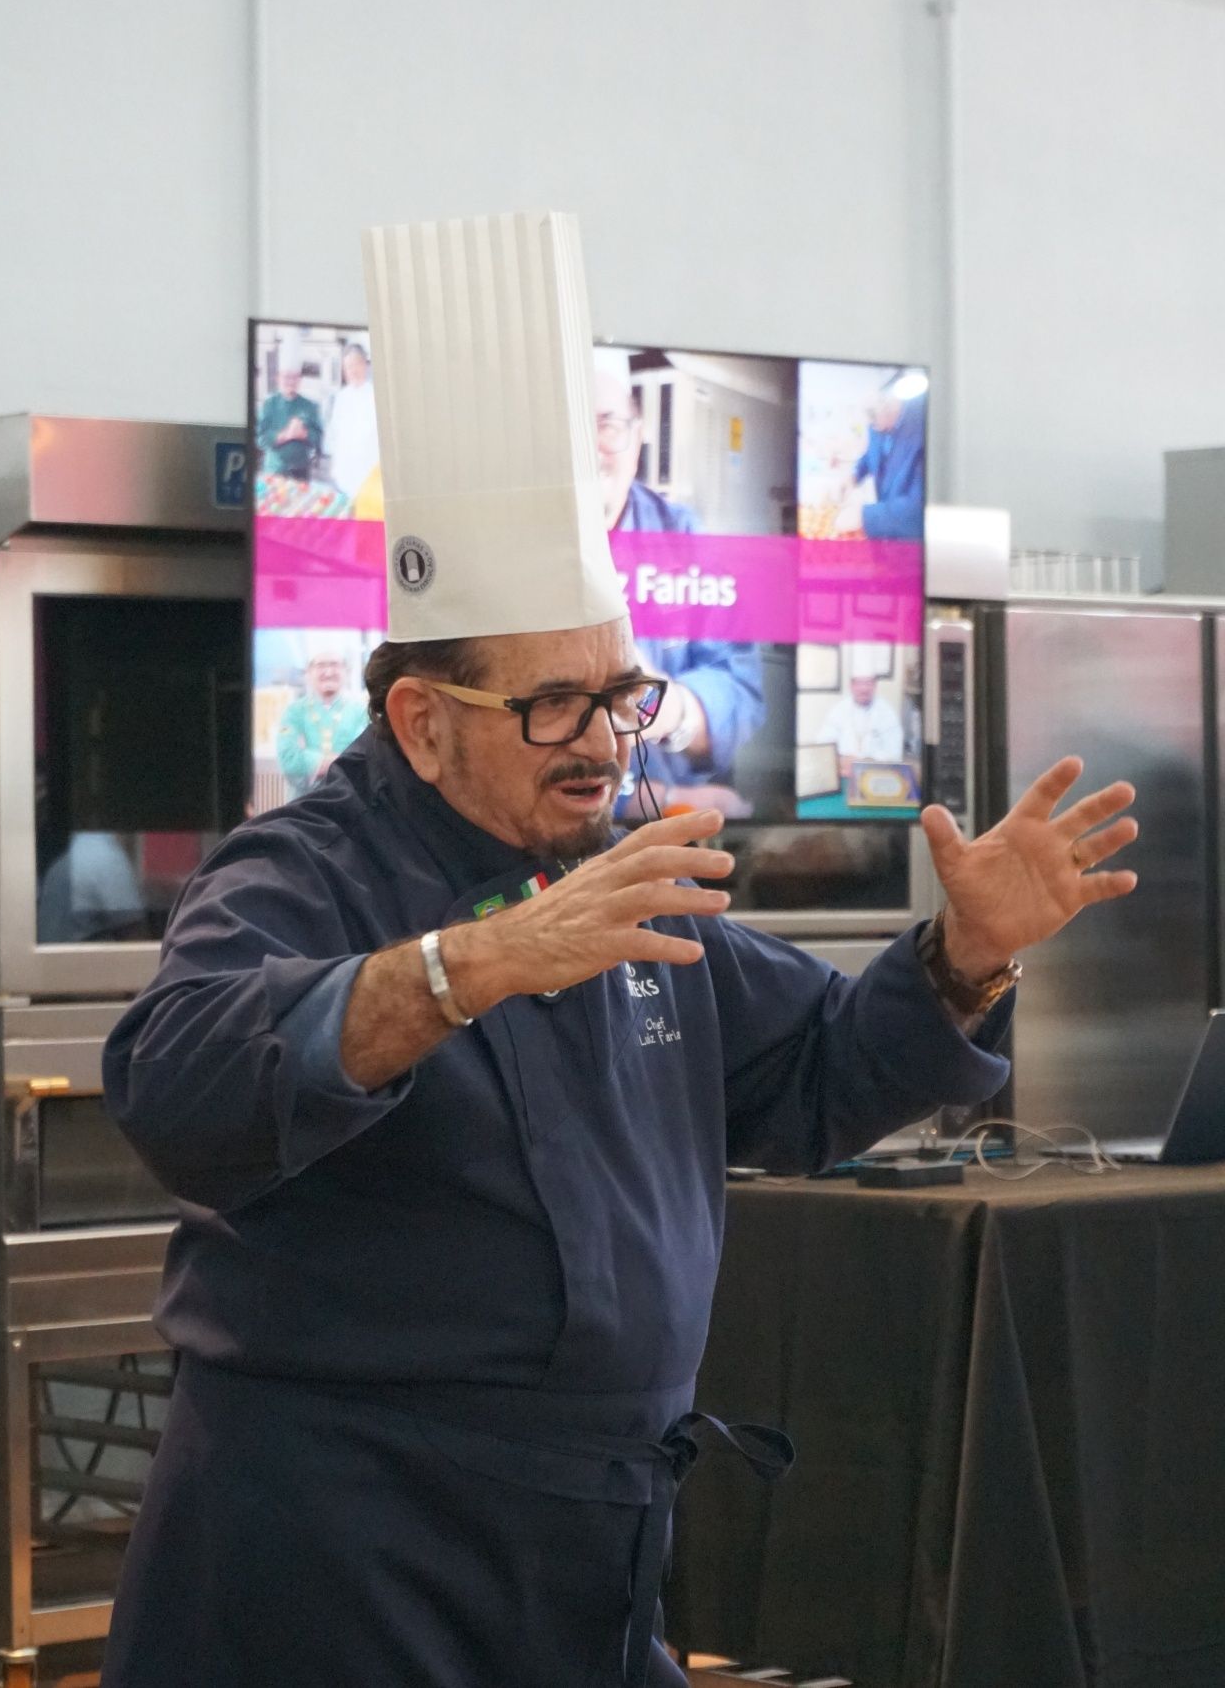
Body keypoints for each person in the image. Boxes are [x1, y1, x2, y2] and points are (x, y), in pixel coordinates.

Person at [100, 212, 1139, 1688]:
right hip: (343, 1548)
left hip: (583, 1546)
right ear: (421, 717)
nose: (602, 739)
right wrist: (472, 964)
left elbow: (813, 1073)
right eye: (555, 705)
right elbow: (174, 1080)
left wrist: (965, 956)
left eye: (622, 695)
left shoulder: (619, 870)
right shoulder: (303, 869)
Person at [595, 363, 764, 805]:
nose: (588, 448)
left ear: (638, 435)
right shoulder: (509, 547)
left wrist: (666, 708)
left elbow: (741, 690)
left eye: (607, 425)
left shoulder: (684, 536)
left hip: (661, 834)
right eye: (569, 430)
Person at [834, 386, 926, 541]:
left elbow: (918, 508)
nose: (872, 428)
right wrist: (855, 475)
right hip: (888, 524)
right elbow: (871, 454)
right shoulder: (876, 426)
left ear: (891, 409)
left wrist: (865, 516)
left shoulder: (923, 429)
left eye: (874, 423)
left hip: (909, 534)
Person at [275, 647, 368, 798]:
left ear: (346, 671)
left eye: (335, 665)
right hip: (302, 803)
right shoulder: (293, 712)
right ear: (309, 672)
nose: (328, 672)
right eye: (321, 665)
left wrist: (311, 758)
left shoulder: (362, 712)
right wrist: (341, 763)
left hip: (349, 801)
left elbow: (363, 759)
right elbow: (290, 760)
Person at [817, 648, 905, 779]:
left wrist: (865, 761)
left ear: (875, 686)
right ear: (851, 685)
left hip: (876, 775)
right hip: (844, 775)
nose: (864, 689)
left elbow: (895, 754)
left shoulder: (887, 713)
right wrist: (842, 760)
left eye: (868, 683)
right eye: (859, 683)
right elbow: (823, 746)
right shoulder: (838, 710)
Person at [256, 332, 324, 480]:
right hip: (274, 472)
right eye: (286, 376)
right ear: (278, 377)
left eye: (294, 377)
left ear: (300, 379)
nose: (290, 381)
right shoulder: (269, 404)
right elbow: (260, 438)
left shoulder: (310, 406)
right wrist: (285, 435)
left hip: (301, 472)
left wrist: (304, 434)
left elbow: (319, 439)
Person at [324, 336, 380, 504]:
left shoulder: (376, 395)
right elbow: (334, 434)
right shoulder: (341, 397)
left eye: (356, 364)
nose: (353, 371)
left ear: (365, 365)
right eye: (348, 367)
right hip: (344, 474)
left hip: (370, 474)